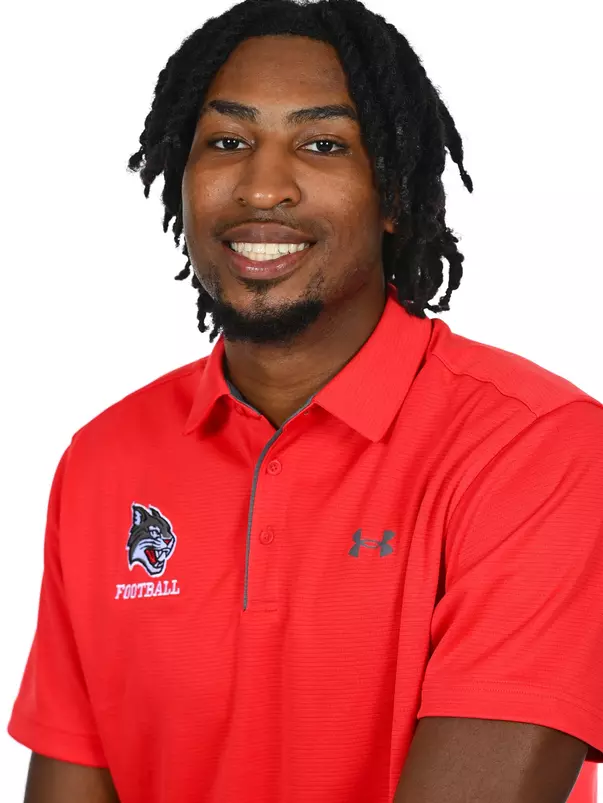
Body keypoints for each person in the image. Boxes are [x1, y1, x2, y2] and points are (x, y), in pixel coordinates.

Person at [8, 0, 603, 801]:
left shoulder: (537, 447)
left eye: (323, 144)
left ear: (392, 194)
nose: (263, 187)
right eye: (227, 142)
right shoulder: (104, 459)